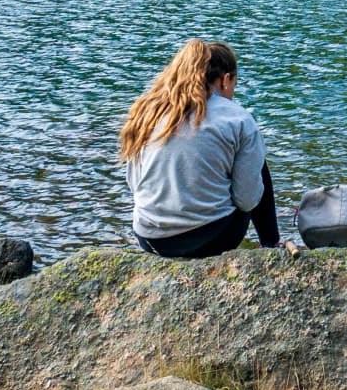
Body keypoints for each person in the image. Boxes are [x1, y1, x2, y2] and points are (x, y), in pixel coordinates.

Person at [119, 38, 289, 258]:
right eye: (234, 85)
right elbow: (246, 200)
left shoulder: (149, 111)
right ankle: (271, 243)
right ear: (226, 80)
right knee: (257, 166)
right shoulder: (237, 118)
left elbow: (134, 184)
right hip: (211, 239)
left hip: (149, 239)